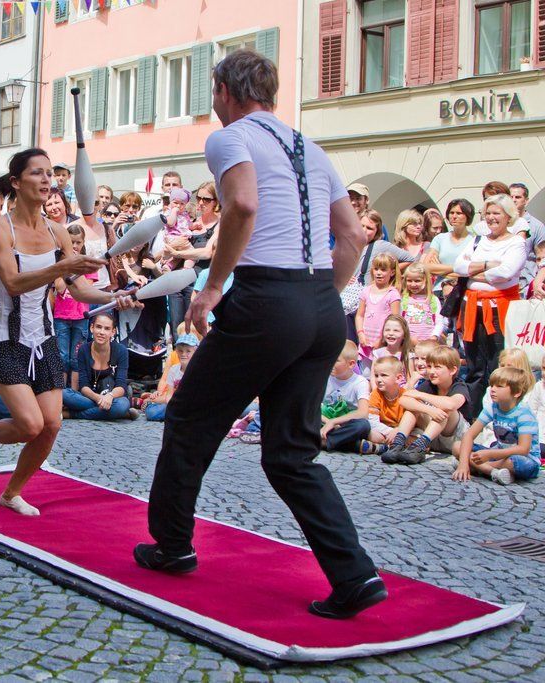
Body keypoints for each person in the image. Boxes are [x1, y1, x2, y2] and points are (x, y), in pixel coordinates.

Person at [135, 50, 383, 620]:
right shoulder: (310, 147)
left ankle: (172, 546)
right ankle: (355, 575)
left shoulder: (230, 138)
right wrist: (317, 296)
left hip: (266, 297)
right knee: (292, 455)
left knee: (190, 419)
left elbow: (243, 203)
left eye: (213, 92)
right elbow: (352, 236)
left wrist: (211, 287)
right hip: (318, 302)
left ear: (225, 90)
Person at [0, 148, 135, 516]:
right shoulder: (1, 231)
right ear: (16, 182)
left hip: (44, 339)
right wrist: (62, 267)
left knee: (51, 425)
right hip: (4, 341)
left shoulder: (57, 232)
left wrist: (115, 297)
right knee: (30, 424)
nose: (47, 179)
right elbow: (14, 283)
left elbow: (78, 288)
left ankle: (11, 493)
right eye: (37, 173)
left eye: (50, 173)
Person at [453, 194, 526, 408]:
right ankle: (474, 412)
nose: (492, 217)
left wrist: (474, 272)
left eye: (497, 213)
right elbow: (458, 267)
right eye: (488, 213)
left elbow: (506, 272)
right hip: (472, 308)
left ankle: (499, 410)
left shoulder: (516, 242)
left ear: (508, 216)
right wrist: (487, 264)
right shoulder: (478, 241)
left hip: (499, 310)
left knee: (498, 362)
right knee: (475, 364)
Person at [453, 367, 539, 485]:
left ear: (517, 392)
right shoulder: (492, 408)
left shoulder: (524, 414)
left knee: (514, 462)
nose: (492, 389)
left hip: (525, 459)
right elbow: (469, 435)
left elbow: (523, 449)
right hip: (499, 454)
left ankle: (479, 467)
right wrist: (463, 465)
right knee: (457, 446)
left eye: (499, 386)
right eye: (492, 385)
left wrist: (489, 455)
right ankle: (492, 472)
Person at [391, 345, 470, 464]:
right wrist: (429, 410)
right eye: (429, 366)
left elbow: (451, 405)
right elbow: (403, 400)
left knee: (445, 409)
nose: (431, 371)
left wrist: (420, 395)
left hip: (454, 439)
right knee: (413, 407)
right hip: (432, 437)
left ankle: (419, 446)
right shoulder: (429, 384)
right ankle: (397, 444)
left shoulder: (459, 386)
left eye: (437, 367)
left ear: (452, 370)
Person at [62, 312, 135, 421]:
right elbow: (83, 385)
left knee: (122, 405)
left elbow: (121, 385)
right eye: (98, 327)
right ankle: (119, 414)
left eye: (107, 329)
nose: (101, 332)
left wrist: (109, 397)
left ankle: (71, 414)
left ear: (113, 332)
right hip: (90, 397)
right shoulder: (83, 349)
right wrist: (99, 399)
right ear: (92, 328)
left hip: (113, 398)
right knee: (63, 393)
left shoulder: (121, 350)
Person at [319, 340, 372, 453]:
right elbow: (311, 407)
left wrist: (334, 422)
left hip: (344, 425)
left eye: (336, 360)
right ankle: (353, 445)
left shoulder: (360, 382)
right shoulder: (324, 376)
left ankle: (321, 442)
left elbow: (363, 413)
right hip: (323, 420)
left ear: (351, 364)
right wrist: (328, 422)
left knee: (363, 425)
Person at [53, 224, 91, 377]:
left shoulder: (87, 263)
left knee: (76, 357)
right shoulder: (60, 264)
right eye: (71, 242)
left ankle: (75, 389)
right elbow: (59, 287)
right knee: (62, 356)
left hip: (81, 315)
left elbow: (86, 289)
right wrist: (68, 265)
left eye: (78, 242)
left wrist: (77, 265)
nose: (74, 246)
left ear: (83, 243)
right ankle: (62, 389)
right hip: (61, 316)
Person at [355, 253, 400, 364]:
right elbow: (360, 315)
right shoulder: (366, 291)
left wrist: (381, 339)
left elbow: (395, 320)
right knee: (366, 371)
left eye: (383, 270)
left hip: (383, 343)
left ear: (392, 272)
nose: (379, 273)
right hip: (366, 341)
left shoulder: (392, 293)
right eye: (376, 269)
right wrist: (360, 334)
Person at [423, 199, 475, 292]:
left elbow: (474, 271)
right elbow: (427, 266)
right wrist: (460, 269)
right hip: (439, 289)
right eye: (451, 213)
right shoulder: (440, 239)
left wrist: (441, 269)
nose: (454, 216)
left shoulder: (474, 240)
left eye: (459, 213)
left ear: (467, 216)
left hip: (465, 290)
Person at [144, 334, 197, 422]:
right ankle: (150, 404)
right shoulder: (173, 370)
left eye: (188, 351)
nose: (183, 354)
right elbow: (169, 395)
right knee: (152, 413)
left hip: (193, 404)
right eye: (180, 351)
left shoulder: (198, 370)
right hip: (176, 404)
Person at [365, 356, 408, 455]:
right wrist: (390, 432)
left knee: (417, 434)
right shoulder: (375, 394)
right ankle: (394, 445)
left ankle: (388, 446)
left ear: (398, 378)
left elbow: (411, 421)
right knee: (371, 434)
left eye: (384, 375)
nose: (378, 379)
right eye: (376, 375)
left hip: (401, 429)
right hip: (383, 430)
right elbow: (373, 421)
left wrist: (398, 431)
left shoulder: (405, 395)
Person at [399, 263, 441, 341]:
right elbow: (399, 321)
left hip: (428, 342)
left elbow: (439, 322)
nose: (413, 284)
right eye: (409, 281)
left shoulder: (433, 300)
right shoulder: (404, 299)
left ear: (426, 280)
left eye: (417, 281)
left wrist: (434, 336)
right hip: (408, 342)